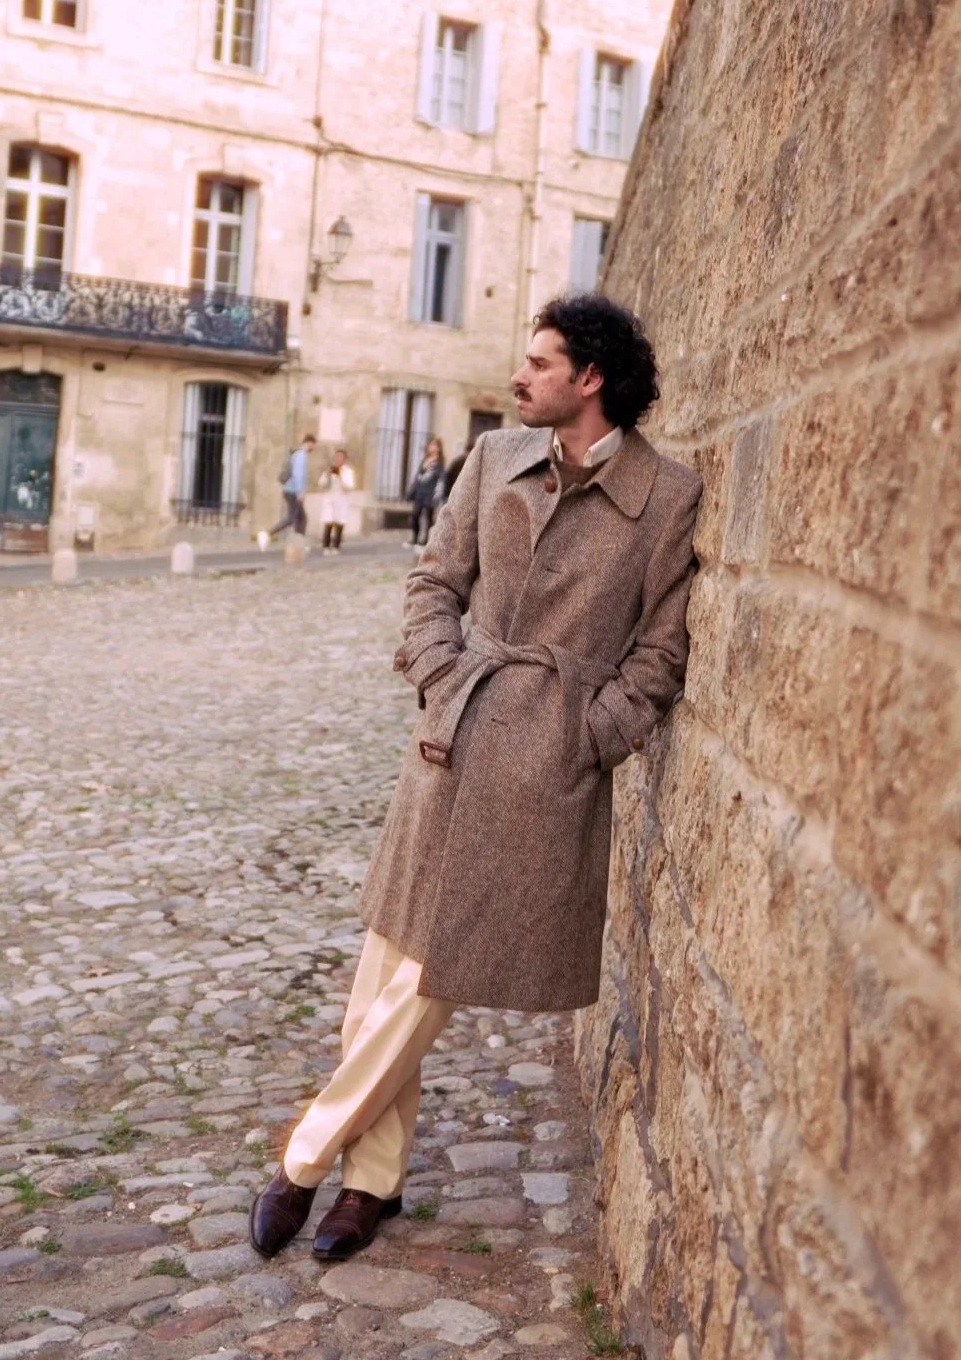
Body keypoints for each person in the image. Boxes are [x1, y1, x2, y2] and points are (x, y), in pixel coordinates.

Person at [250, 292, 703, 1263]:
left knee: (428, 980)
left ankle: (300, 1162)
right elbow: (432, 583)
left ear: (590, 379)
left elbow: (658, 656)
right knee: (383, 977)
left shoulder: (664, 497)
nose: (517, 376)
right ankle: (369, 1189)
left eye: (538, 363)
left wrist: (587, 736)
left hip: (543, 770)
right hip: (449, 740)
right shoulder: (495, 458)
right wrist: (439, 670)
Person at [271, 434, 317, 539]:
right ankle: (269, 533)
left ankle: (298, 541)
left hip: (290, 490)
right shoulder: (301, 455)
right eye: (313, 446)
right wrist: (300, 493)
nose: (313, 448)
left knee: (299, 518)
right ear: (309, 443)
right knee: (294, 518)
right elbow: (298, 475)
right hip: (293, 491)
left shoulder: (297, 454)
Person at [403, 437, 445, 548]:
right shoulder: (425, 460)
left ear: (439, 449)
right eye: (431, 445)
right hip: (420, 493)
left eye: (435, 446)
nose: (433, 448)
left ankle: (426, 541)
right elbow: (418, 476)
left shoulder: (439, 463)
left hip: (430, 494)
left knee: (428, 518)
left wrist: (438, 495)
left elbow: (441, 479)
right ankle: (414, 539)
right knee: (415, 515)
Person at [318, 448, 355, 555]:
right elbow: (322, 484)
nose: (338, 459)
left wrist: (340, 476)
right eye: (336, 457)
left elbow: (349, 486)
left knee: (339, 523)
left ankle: (336, 546)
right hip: (329, 499)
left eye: (340, 457)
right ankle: (326, 545)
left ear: (344, 459)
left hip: (341, 499)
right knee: (328, 522)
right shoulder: (329, 470)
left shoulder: (348, 471)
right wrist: (327, 475)